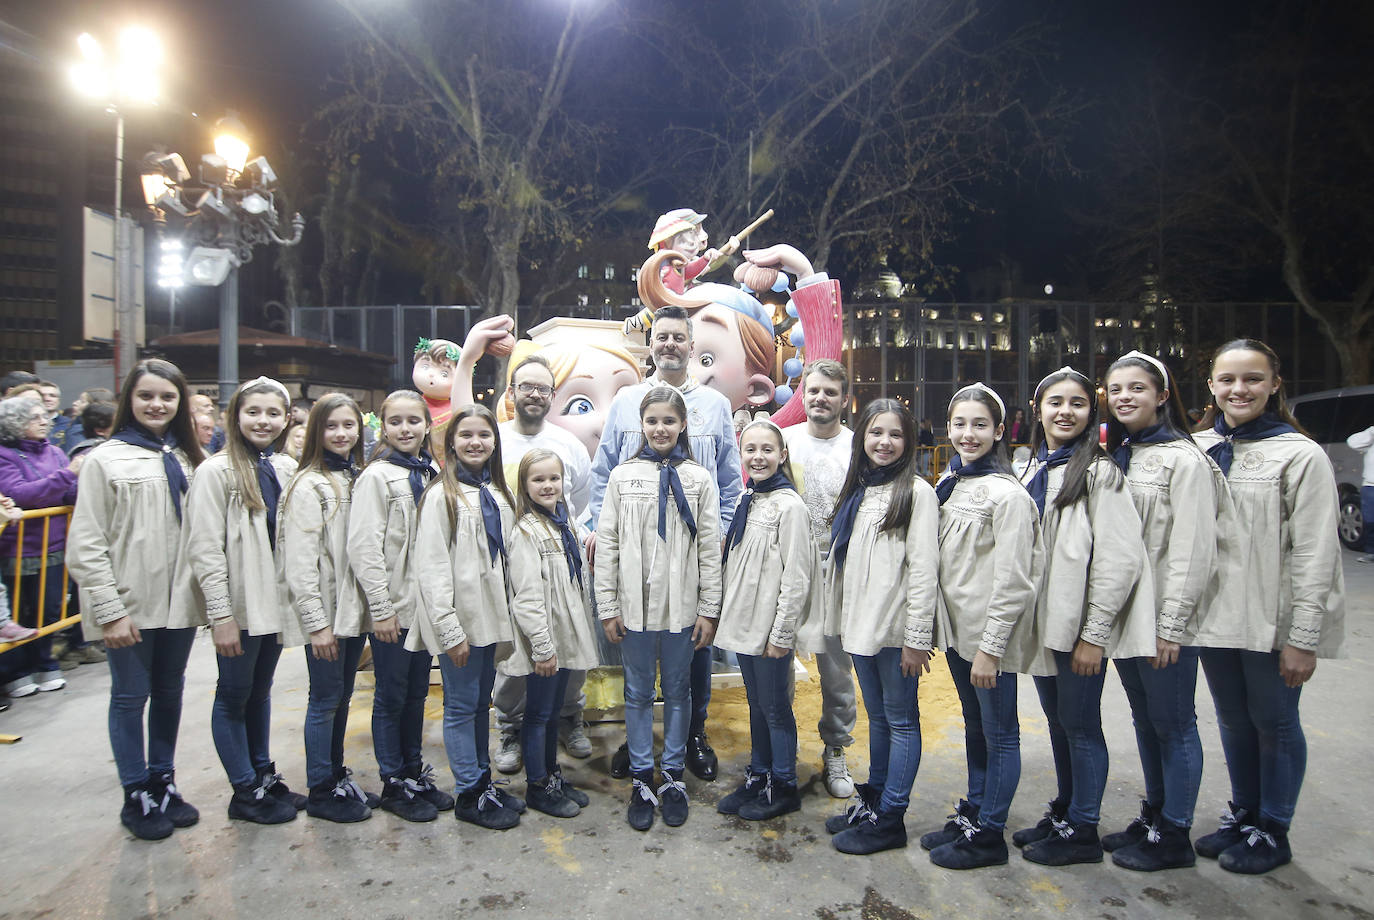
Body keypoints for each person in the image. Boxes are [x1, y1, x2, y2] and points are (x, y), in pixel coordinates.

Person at [1192, 339, 1345, 875]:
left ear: (1275, 385)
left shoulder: (1300, 455)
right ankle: (1245, 813)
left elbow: (1316, 552)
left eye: (1253, 379)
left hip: (1269, 619)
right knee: (1234, 721)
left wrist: (1304, 636)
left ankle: (1273, 827)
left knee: (1275, 722)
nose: (1239, 389)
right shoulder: (1198, 447)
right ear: (1210, 385)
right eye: (1227, 379)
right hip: (1213, 615)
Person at [588, 304, 741, 782]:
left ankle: (692, 735)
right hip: (637, 554)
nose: (671, 344)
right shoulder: (627, 401)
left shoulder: (715, 406)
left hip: (692, 553)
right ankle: (638, 747)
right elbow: (604, 472)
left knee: (691, 651)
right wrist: (600, 529)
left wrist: (718, 539)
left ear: (692, 347)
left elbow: (730, 482)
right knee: (636, 651)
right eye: (663, 337)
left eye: (680, 338)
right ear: (651, 344)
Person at [1014, 367, 1155, 867]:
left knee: (1080, 725)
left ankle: (1084, 829)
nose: (1064, 412)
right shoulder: (1035, 468)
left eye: (1076, 403)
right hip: (1046, 625)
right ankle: (1066, 811)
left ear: (1090, 413)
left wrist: (1094, 635)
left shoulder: (1099, 472)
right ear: (1039, 410)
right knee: (1058, 723)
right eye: (1055, 402)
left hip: (1076, 630)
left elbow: (1121, 559)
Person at [66, 359, 207, 840]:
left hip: (178, 603)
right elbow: (86, 544)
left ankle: (163, 780)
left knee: (169, 691)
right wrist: (109, 610)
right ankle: (136, 791)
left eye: (167, 397)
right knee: (130, 697)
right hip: (130, 603)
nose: (157, 405)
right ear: (129, 399)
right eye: (147, 396)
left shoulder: (188, 458)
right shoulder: (105, 460)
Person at [1100, 351, 1223, 871]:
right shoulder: (1120, 455)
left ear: (1163, 395)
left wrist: (1172, 625)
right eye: (1117, 388)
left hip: (1162, 619)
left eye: (1138, 388)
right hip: (1125, 615)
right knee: (1146, 719)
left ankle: (1175, 833)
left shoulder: (1185, 460)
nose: (1126, 397)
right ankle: (1154, 814)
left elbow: (1194, 549)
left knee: (1174, 722)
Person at [922, 384, 1043, 870]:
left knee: (1001, 732)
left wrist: (992, 648)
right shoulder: (953, 482)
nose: (968, 434)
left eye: (979, 425)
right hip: (958, 634)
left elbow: (1016, 581)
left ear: (999, 431)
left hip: (986, 639)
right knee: (975, 726)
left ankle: (991, 830)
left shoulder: (1006, 496)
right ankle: (975, 807)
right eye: (960, 424)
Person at [177, 376, 304, 825]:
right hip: (240, 604)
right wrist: (221, 615)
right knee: (233, 694)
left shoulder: (287, 468)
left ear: (287, 419)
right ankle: (243, 789)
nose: (263, 421)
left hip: (273, 603)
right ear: (235, 416)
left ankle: (262, 773)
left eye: (273, 413)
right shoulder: (215, 472)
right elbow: (204, 549)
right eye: (254, 412)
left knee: (260, 691)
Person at [595, 386, 722, 831]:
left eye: (669, 421)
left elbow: (709, 546)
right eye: (652, 421)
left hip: (682, 607)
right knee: (637, 691)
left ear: (682, 424)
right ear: (641, 425)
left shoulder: (699, 479)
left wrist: (708, 609)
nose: (660, 429)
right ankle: (641, 778)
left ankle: (671, 775)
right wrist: (608, 606)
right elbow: (607, 542)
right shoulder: (621, 476)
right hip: (633, 607)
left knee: (680, 690)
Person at [823, 399, 939, 856]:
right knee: (880, 720)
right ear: (862, 438)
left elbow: (924, 569)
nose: (884, 443)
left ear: (908, 441)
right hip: (862, 628)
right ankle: (875, 801)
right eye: (875, 433)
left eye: (894, 434)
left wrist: (916, 638)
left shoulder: (917, 494)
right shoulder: (859, 490)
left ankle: (892, 817)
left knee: (902, 721)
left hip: (893, 631)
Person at [409, 404, 523, 830]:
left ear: (494, 442)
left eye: (484, 435)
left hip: (489, 619)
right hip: (461, 621)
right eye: (467, 435)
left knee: (480, 703)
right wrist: (448, 629)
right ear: (451, 442)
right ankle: (467, 793)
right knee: (459, 705)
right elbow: (432, 568)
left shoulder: (497, 494)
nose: (476, 442)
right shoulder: (441, 496)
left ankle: (481, 782)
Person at [482, 356, 594, 774]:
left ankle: (569, 717)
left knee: (569, 642)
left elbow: (577, 501)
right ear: (510, 392)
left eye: (542, 388)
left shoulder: (569, 446)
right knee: (517, 652)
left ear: (552, 395)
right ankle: (510, 725)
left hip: (559, 556)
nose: (534, 394)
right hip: (509, 562)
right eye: (525, 386)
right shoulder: (495, 441)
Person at [348, 390, 450, 822]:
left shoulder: (430, 472)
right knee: (390, 695)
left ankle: (413, 770)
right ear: (383, 427)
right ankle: (392, 780)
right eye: (396, 422)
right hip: (395, 607)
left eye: (413, 421)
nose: (405, 429)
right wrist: (381, 608)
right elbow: (364, 546)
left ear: (427, 425)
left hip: (424, 607)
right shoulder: (376, 477)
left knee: (415, 693)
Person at [714, 419, 817, 821]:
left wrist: (782, 633)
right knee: (756, 704)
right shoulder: (749, 498)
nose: (758, 457)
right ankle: (760, 775)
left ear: (782, 455)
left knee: (775, 707)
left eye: (767, 450)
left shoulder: (789, 505)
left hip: (770, 628)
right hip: (746, 623)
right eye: (750, 450)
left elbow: (797, 575)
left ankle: (784, 782)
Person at [281, 394, 377, 823]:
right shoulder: (308, 484)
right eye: (331, 426)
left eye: (349, 426)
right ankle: (320, 787)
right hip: (328, 615)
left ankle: (337, 774)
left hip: (351, 612)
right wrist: (316, 624)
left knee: (341, 697)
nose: (341, 434)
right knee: (323, 699)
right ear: (316, 432)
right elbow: (300, 563)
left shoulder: (355, 477)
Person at [505, 449, 600, 818]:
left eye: (554, 479)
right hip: (544, 642)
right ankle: (538, 785)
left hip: (563, 636)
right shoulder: (527, 531)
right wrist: (542, 648)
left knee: (553, 711)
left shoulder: (564, 522)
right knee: (539, 713)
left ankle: (553, 775)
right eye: (538, 479)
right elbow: (526, 599)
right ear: (525, 486)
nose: (548, 486)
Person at [781, 359, 859, 798]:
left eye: (830, 392)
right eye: (813, 391)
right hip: (790, 570)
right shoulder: (784, 443)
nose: (820, 399)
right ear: (802, 394)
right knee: (779, 666)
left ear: (844, 399)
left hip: (837, 572)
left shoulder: (858, 448)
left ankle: (836, 748)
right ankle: (782, 749)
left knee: (837, 669)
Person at [0, 395, 78, 698]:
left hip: (56, 543)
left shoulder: (56, 451)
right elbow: (22, 493)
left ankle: (44, 661)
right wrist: (68, 475)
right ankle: (15, 671)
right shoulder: (5, 455)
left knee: (51, 609)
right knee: (18, 613)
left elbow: (67, 492)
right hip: (19, 547)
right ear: (14, 423)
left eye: (45, 415)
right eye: (36, 417)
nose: (45, 420)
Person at [1348, 422, 1374, 563]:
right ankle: (1371, 552)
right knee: (1370, 521)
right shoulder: (1371, 435)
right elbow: (1353, 443)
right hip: (1371, 485)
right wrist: (1371, 432)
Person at [37, 381, 73, 450]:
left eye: (52, 396)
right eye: (42, 395)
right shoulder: (29, 424)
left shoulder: (70, 424)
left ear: (58, 400)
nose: (47, 399)